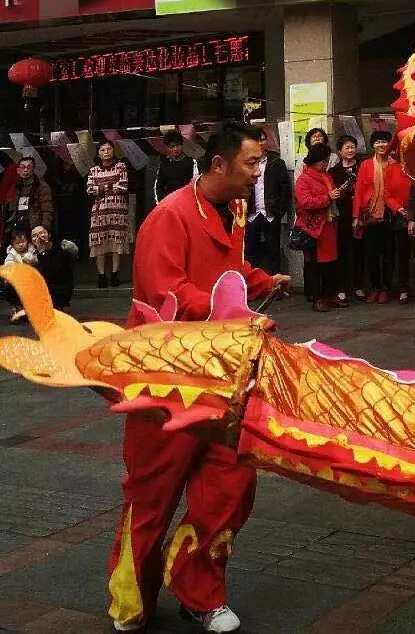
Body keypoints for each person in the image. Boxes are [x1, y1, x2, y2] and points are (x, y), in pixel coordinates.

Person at [105, 121, 291, 634]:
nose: (259, 173)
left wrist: (259, 282)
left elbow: (227, 269)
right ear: (218, 165)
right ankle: (131, 597)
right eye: (252, 163)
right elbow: (169, 293)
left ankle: (199, 591)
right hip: (165, 381)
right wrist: (234, 312)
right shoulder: (168, 217)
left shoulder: (229, 211)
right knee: (152, 495)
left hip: (222, 377)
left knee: (229, 485)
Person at [353, 131, 410, 304]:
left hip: (390, 215)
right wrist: (356, 216)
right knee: (370, 254)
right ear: (372, 145)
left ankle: (385, 288)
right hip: (370, 214)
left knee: (388, 254)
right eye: (377, 142)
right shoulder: (365, 165)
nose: (381, 145)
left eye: (384, 142)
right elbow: (359, 191)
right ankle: (375, 287)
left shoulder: (395, 165)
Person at [293, 143, 345, 313]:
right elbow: (305, 202)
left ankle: (328, 295)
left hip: (328, 225)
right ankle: (317, 298)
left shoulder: (326, 177)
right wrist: (328, 197)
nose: (326, 164)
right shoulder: (304, 179)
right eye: (324, 161)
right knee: (315, 265)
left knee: (330, 264)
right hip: (313, 228)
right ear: (318, 162)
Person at [245, 128, 292, 277]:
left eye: (262, 139)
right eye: (256, 139)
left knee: (273, 249)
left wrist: (279, 210)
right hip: (251, 212)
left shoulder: (276, 162)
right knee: (249, 250)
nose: (259, 143)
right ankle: (251, 284)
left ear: (267, 141)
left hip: (271, 212)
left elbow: (285, 188)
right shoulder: (244, 161)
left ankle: (275, 285)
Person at [88, 142, 130, 289]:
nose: (106, 152)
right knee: (99, 242)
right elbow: (90, 190)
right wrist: (111, 184)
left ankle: (114, 274)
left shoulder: (121, 166)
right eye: (102, 149)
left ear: (113, 150)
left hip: (117, 209)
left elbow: (123, 186)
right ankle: (101, 276)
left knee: (116, 242)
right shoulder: (93, 170)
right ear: (98, 153)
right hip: (99, 212)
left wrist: (102, 187)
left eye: (109, 149)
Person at [330, 136, 365, 302]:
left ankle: (359, 286)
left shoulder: (362, 167)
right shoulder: (334, 171)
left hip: (362, 215)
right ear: (339, 151)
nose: (350, 150)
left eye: (352, 147)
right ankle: (341, 287)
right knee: (342, 252)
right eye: (347, 148)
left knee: (359, 252)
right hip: (342, 216)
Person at [4, 157, 54, 238]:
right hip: (16, 223)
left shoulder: (41, 186)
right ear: (18, 170)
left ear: (33, 169)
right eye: (23, 167)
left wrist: (44, 228)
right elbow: (8, 206)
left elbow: (47, 210)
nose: (26, 170)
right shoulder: (15, 186)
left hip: (34, 225)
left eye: (29, 167)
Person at [29, 223, 74, 308]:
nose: (39, 237)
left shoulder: (61, 250)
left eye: (42, 233)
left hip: (57, 290)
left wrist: (42, 252)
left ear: (49, 235)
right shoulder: (31, 253)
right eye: (34, 236)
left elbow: (48, 273)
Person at [154, 130, 198, 203]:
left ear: (182, 145)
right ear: (167, 148)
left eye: (178, 145)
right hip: (169, 203)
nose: (175, 149)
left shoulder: (191, 162)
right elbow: (158, 187)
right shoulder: (163, 165)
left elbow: (194, 185)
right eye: (172, 146)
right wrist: (161, 204)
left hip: (186, 202)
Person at [3, 226, 34, 322]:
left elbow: (36, 260)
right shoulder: (11, 254)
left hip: (31, 279)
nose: (21, 245)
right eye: (17, 243)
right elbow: (8, 264)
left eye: (23, 242)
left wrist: (30, 260)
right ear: (12, 245)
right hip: (18, 280)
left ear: (27, 241)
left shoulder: (32, 250)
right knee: (7, 287)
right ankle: (18, 308)